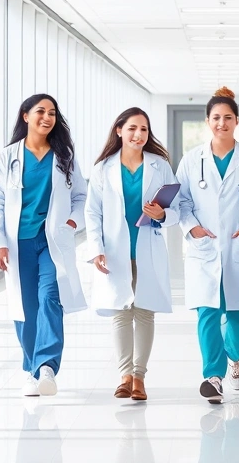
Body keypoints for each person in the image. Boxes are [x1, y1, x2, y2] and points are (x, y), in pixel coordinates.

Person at [0, 94, 88, 397]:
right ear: (26, 115)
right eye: (40, 111)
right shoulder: (8, 157)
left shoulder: (64, 156)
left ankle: (46, 367)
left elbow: (80, 196)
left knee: (50, 298)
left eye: (52, 113)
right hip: (18, 242)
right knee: (25, 306)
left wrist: (72, 222)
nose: (47, 117)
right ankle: (31, 370)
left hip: (52, 242)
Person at [85, 107, 179, 402]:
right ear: (119, 131)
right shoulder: (103, 169)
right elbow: (92, 212)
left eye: (144, 130)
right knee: (121, 312)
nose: (139, 135)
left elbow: (176, 210)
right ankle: (124, 376)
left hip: (148, 247)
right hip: (115, 251)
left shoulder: (159, 165)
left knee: (145, 311)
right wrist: (96, 249)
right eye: (132, 129)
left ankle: (139, 378)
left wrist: (162, 214)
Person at [176, 87, 239, 404]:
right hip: (205, 248)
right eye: (215, 117)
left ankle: (233, 354)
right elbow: (181, 201)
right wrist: (192, 227)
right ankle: (213, 376)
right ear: (207, 121)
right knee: (207, 313)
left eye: (227, 117)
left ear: (237, 121)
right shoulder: (191, 160)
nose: (221, 123)